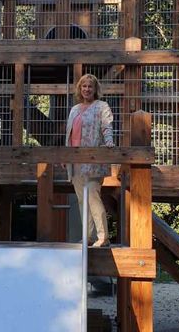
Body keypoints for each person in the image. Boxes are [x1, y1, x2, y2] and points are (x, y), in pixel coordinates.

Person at [65, 74, 114, 247]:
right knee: (81, 200)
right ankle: (88, 236)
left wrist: (109, 143)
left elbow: (107, 127)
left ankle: (103, 236)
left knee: (93, 195)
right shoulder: (74, 109)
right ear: (80, 89)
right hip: (75, 161)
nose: (86, 89)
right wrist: (66, 157)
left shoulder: (102, 106)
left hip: (94, 160)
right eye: (84, 86)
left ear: (95, 89)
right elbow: (69, 136)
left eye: (90, 86)